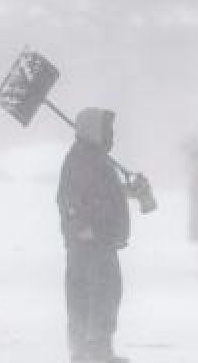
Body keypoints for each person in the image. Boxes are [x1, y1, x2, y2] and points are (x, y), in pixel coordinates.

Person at [57, 108, 131, 363]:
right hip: (91, 244)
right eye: (107, 130)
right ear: (93, 131)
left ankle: (90, 349)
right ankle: (94, 350)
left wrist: (127, 189)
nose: (111, 135)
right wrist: (82, 227)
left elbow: (103, 193)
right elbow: (70, 199)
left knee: (101, 292)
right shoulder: (83, 160)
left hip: (99, 241)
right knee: (98, 293)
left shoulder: (94, 159)